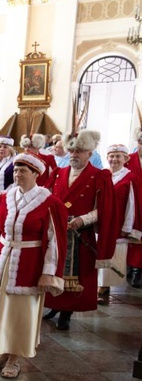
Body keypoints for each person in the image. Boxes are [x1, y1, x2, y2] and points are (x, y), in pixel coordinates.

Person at [0, 154, 67, 379]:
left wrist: (48, 273)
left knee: (21, 312)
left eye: (23, 171)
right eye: (16, 171)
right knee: (1, 308)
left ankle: (15, 358)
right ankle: (4, 348)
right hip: (3, 258)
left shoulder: (49, 202)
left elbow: (54, 240)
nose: (17, 175)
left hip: (30, 263)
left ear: (36, 174)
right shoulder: (5, 198)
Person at [44, 130, 116, 330]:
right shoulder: (60, 172)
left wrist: (81, 220)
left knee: (78, 277)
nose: (74, 155)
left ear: (89, 154)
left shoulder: (99, 176)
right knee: (53, 269)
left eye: (80, 151)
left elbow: (104, 209)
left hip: (80, 235)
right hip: (58, 234)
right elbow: (47, 198)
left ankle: (67, 312)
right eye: (72, 150)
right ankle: (54, 305)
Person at [97, 145, 141, 304]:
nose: (114, 159)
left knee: (112, 255)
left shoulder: (130, 178)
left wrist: (127, 227)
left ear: (125, 159)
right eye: (111, 156)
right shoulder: (103, 174)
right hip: (99, 221)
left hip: (117, 223)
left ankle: (104, 289)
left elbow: (132, 204)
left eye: (118, 156)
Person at [127, 130, 142, 288]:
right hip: (132, 202)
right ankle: (131, 266)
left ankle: (138, 270)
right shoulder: (129, 159)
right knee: (132, 235)